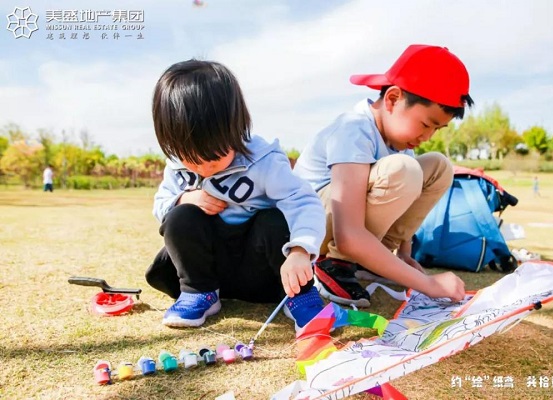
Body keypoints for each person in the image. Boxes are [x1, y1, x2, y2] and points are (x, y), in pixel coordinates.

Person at [146, 60, 326, 330]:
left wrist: (300, 251)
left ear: (235, 129)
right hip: (213, 270)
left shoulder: (264, 161)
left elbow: (303, 202)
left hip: (262, 271)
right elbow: (160, 205)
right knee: (179, 216)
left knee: (273, 220)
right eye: (190, 159)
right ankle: (199, 293)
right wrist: (184, 198)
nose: (203, 168)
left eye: (213, 157)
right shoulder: (176, 167)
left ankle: (299, 295)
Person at [294, 44, 469, 307]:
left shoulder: (398, 141)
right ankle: (335, 264)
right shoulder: (353, 129)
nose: (427, 137)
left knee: (439, 167)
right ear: (393, 99)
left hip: (341, 223)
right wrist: (429, 285)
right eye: (425, 124)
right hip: (308, 228)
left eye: (437, 129)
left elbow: (406, 198)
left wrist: (405, 253)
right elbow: (348, 233)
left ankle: (375, 259)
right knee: (404, 169)